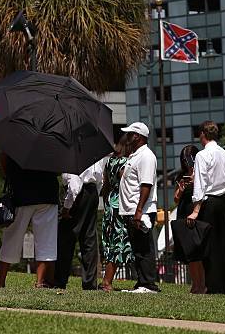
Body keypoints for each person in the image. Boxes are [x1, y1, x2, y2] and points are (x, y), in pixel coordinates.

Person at [0, 155, 59, 289]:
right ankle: (40, 282)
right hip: (48, 192)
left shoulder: (16, 138)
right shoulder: (53, 139)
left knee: (11, 237)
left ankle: (0, 281)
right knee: (46, 241)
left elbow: (4, 163)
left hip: (22, 191)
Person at [187, 121, 225, 294]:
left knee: (208, 245)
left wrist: (195, 210)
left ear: (202, 134)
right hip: (224, 200)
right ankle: (223, 284)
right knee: (223, 243)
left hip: (209, 203)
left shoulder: (202, 155)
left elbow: (201, 183)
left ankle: (211, 285)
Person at [54, 157, 108, 290]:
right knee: (89, 238)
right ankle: (89, 283)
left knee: (66, 238)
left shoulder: (74, 150)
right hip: (92, 191)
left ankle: (60, 280)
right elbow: (101, 178)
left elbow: (74, 183)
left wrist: (67, 207)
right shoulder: (95, 151)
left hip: (78, 194)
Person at [118, 122, 160, 293]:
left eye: (130, 134)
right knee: (137, 248)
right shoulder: (135, 155)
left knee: (144, 248)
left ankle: (148, 284)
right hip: (131, 209)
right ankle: (141, 282)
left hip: (141, 210)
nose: (127, 137)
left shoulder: (146, 156)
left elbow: (146, 184)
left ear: (138, 136)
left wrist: (139, 210)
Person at [98, 135, 135, 292]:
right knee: (119, 243)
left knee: (111, 243)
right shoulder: (124, 163)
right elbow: (125, 185)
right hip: (121, 204)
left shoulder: (110, 161)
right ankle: (107, 282)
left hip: (110, 204)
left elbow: (105, 185)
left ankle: (106, 280)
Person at [173, 144, 205, 294]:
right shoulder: (181, 176)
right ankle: (195, 284)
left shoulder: (201, 173)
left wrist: (194, 182)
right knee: (188, 253)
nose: (187, 164)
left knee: (197, 252)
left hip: (195, 212)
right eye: (184, 161)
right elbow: (175, 199)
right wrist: (181, 188)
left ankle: (202, 284)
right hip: (183, 212)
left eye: (189, 160)